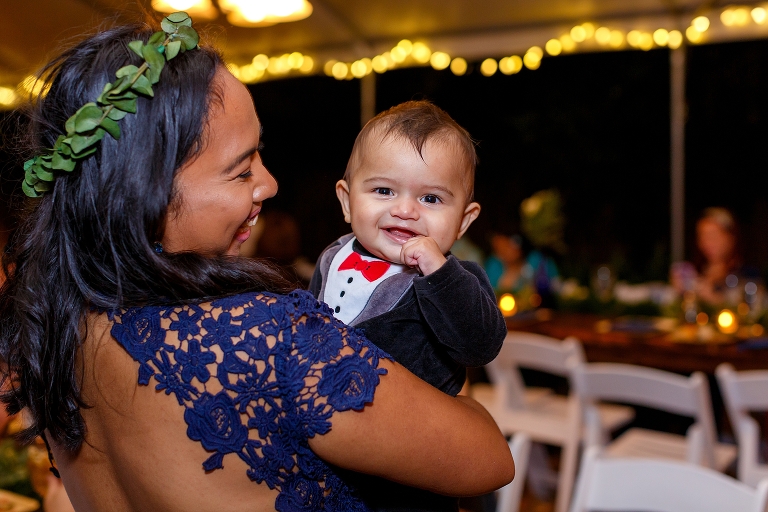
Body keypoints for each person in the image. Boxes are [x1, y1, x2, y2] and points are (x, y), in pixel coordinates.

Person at [0, 15, 514, 512]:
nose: (268, 184)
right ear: (148, 193)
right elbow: (490, 459)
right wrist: (451, 386)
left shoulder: (54, 328)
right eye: (242, 170)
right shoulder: (266, 339)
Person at [308, 101, 507, 511]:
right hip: (328, 453)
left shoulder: (456, 279)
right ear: (347, 201)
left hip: (410, 468)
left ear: (464, 222)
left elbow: (480, 345)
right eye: (383, 190)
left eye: (431, 199)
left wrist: (439, 272)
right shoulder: (333, 255)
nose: (405, 209)